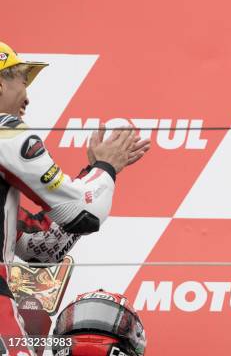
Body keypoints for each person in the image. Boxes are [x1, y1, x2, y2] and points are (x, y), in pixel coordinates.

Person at [0, 41, 149, 356]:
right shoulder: (7, 134)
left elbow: (40, 248)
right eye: (22, 83)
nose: (27, 98)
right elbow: (83, 212)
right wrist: (106, 167)